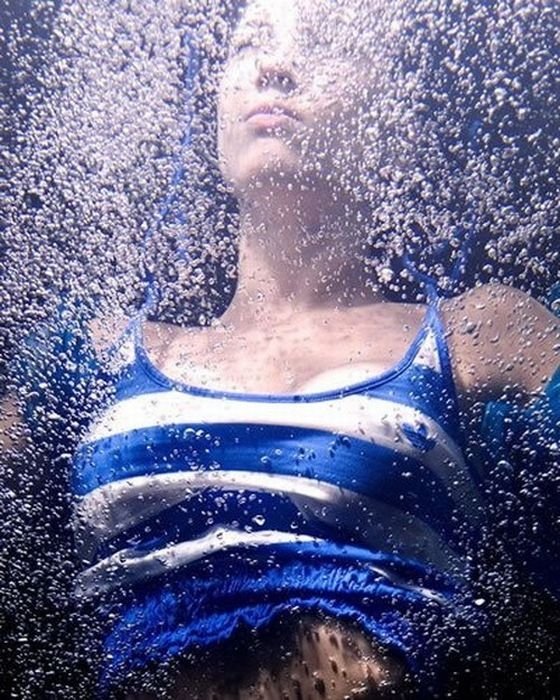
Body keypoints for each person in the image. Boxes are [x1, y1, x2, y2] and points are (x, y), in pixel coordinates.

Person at [3, 0, 559, 698]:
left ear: (393, 120)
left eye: (324, 45)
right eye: (248, 44)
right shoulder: (93, 350)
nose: (275, 66)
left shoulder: (485, 334)